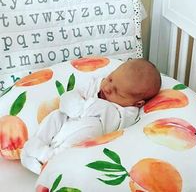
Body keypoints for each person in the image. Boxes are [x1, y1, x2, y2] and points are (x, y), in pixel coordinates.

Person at [21, 58, 161, 174]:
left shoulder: (128, 112)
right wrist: (74, 104)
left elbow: (108, 116)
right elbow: (71, 96)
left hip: (81, 137)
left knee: (92, 126)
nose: (106, 88)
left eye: (117, 92)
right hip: (67, 121)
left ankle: (50, 158)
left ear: (137, 103)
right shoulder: (98, 84)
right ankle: (34, 145)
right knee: (56, 115)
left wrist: (83, 106)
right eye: (111, 79)